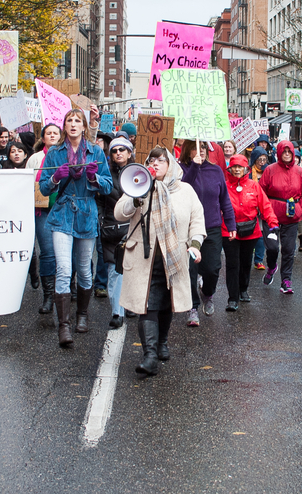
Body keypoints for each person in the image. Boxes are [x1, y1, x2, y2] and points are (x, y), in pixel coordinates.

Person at [115, 147, 206, 376]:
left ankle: (162, 342)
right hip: (144, 259)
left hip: (173, 257)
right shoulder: (140, 184)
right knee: (147, 306)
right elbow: (120, 213)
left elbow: (197, 220)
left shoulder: (185, 190)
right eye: (151, 160)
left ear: (171, 164)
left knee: (166, 304)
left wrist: (195, 244)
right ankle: (150, 356)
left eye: (161, 160)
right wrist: (137, 198)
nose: (155, 164)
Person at [39, 110, 113, 347]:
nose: (73, 124)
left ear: (84, 127)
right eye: (69, 120)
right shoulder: (54, 152)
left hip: (86, 214)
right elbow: (43, 188)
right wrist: (54, 179)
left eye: (77, 121)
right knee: (63, 267)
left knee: (84, 268)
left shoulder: (96, 151)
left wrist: (94, 179)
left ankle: (82, 314)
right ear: (64, 126)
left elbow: (108, 186)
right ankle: (64, 326)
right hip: (61, 214)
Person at [178, 140, 237, 324]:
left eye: (203, 148)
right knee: (190, 270)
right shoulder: (180, 169)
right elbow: (182, 190)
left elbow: (224, 199)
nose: (200, 151)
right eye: (196, 148)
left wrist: (231, 223)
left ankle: (207, 293)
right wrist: (194, 167)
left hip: (211, 226)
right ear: (188, 151)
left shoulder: (216, 170)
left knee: (212, 268)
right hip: (187, 228)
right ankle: (192, 307)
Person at [222, 154, 279, 310]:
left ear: (246, 168)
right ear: (230, 168)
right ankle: (232, 298)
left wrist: (273, 222)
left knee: (246, 262)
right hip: (229, 231)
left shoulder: (254, 186)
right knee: (233, 264)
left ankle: (243, 290)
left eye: (240, 167)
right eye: (234, 166)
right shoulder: (224, 186)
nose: (237, 169)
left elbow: (265, 206)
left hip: (250, 231)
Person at [260, 140, 302, 294]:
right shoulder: (270, 170)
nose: (287, 154)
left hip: (292, 215)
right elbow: (261, 192)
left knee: (288, 249)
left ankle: (286, 280)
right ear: (279, 152)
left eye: (289, 151)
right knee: (273, 248)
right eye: (284, 151)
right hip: (272, 215)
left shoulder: (300, 172)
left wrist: (300, 209)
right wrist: (265, 211)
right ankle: (272, 266)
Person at [97, 136, 135, 328]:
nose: (118, 153)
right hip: (112, 229)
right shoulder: (105, 174)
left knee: (133, 270)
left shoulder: (139, 173)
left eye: (122, 149)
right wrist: (101, 220)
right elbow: (100, 201)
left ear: (129, 152)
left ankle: (131, 304)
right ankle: (116, 312)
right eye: (114, 150)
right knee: (115, 271)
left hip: (135, 227)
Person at [27, 124, 62, 314]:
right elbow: (26, 183)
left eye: (55, 133)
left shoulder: (66, 155)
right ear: (43, 138)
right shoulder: (35, 159)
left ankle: (67, 289)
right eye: (48, 133)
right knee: (47, 252)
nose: (52, 135)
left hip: (63, 209)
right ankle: (48, 296)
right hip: (42, 211)